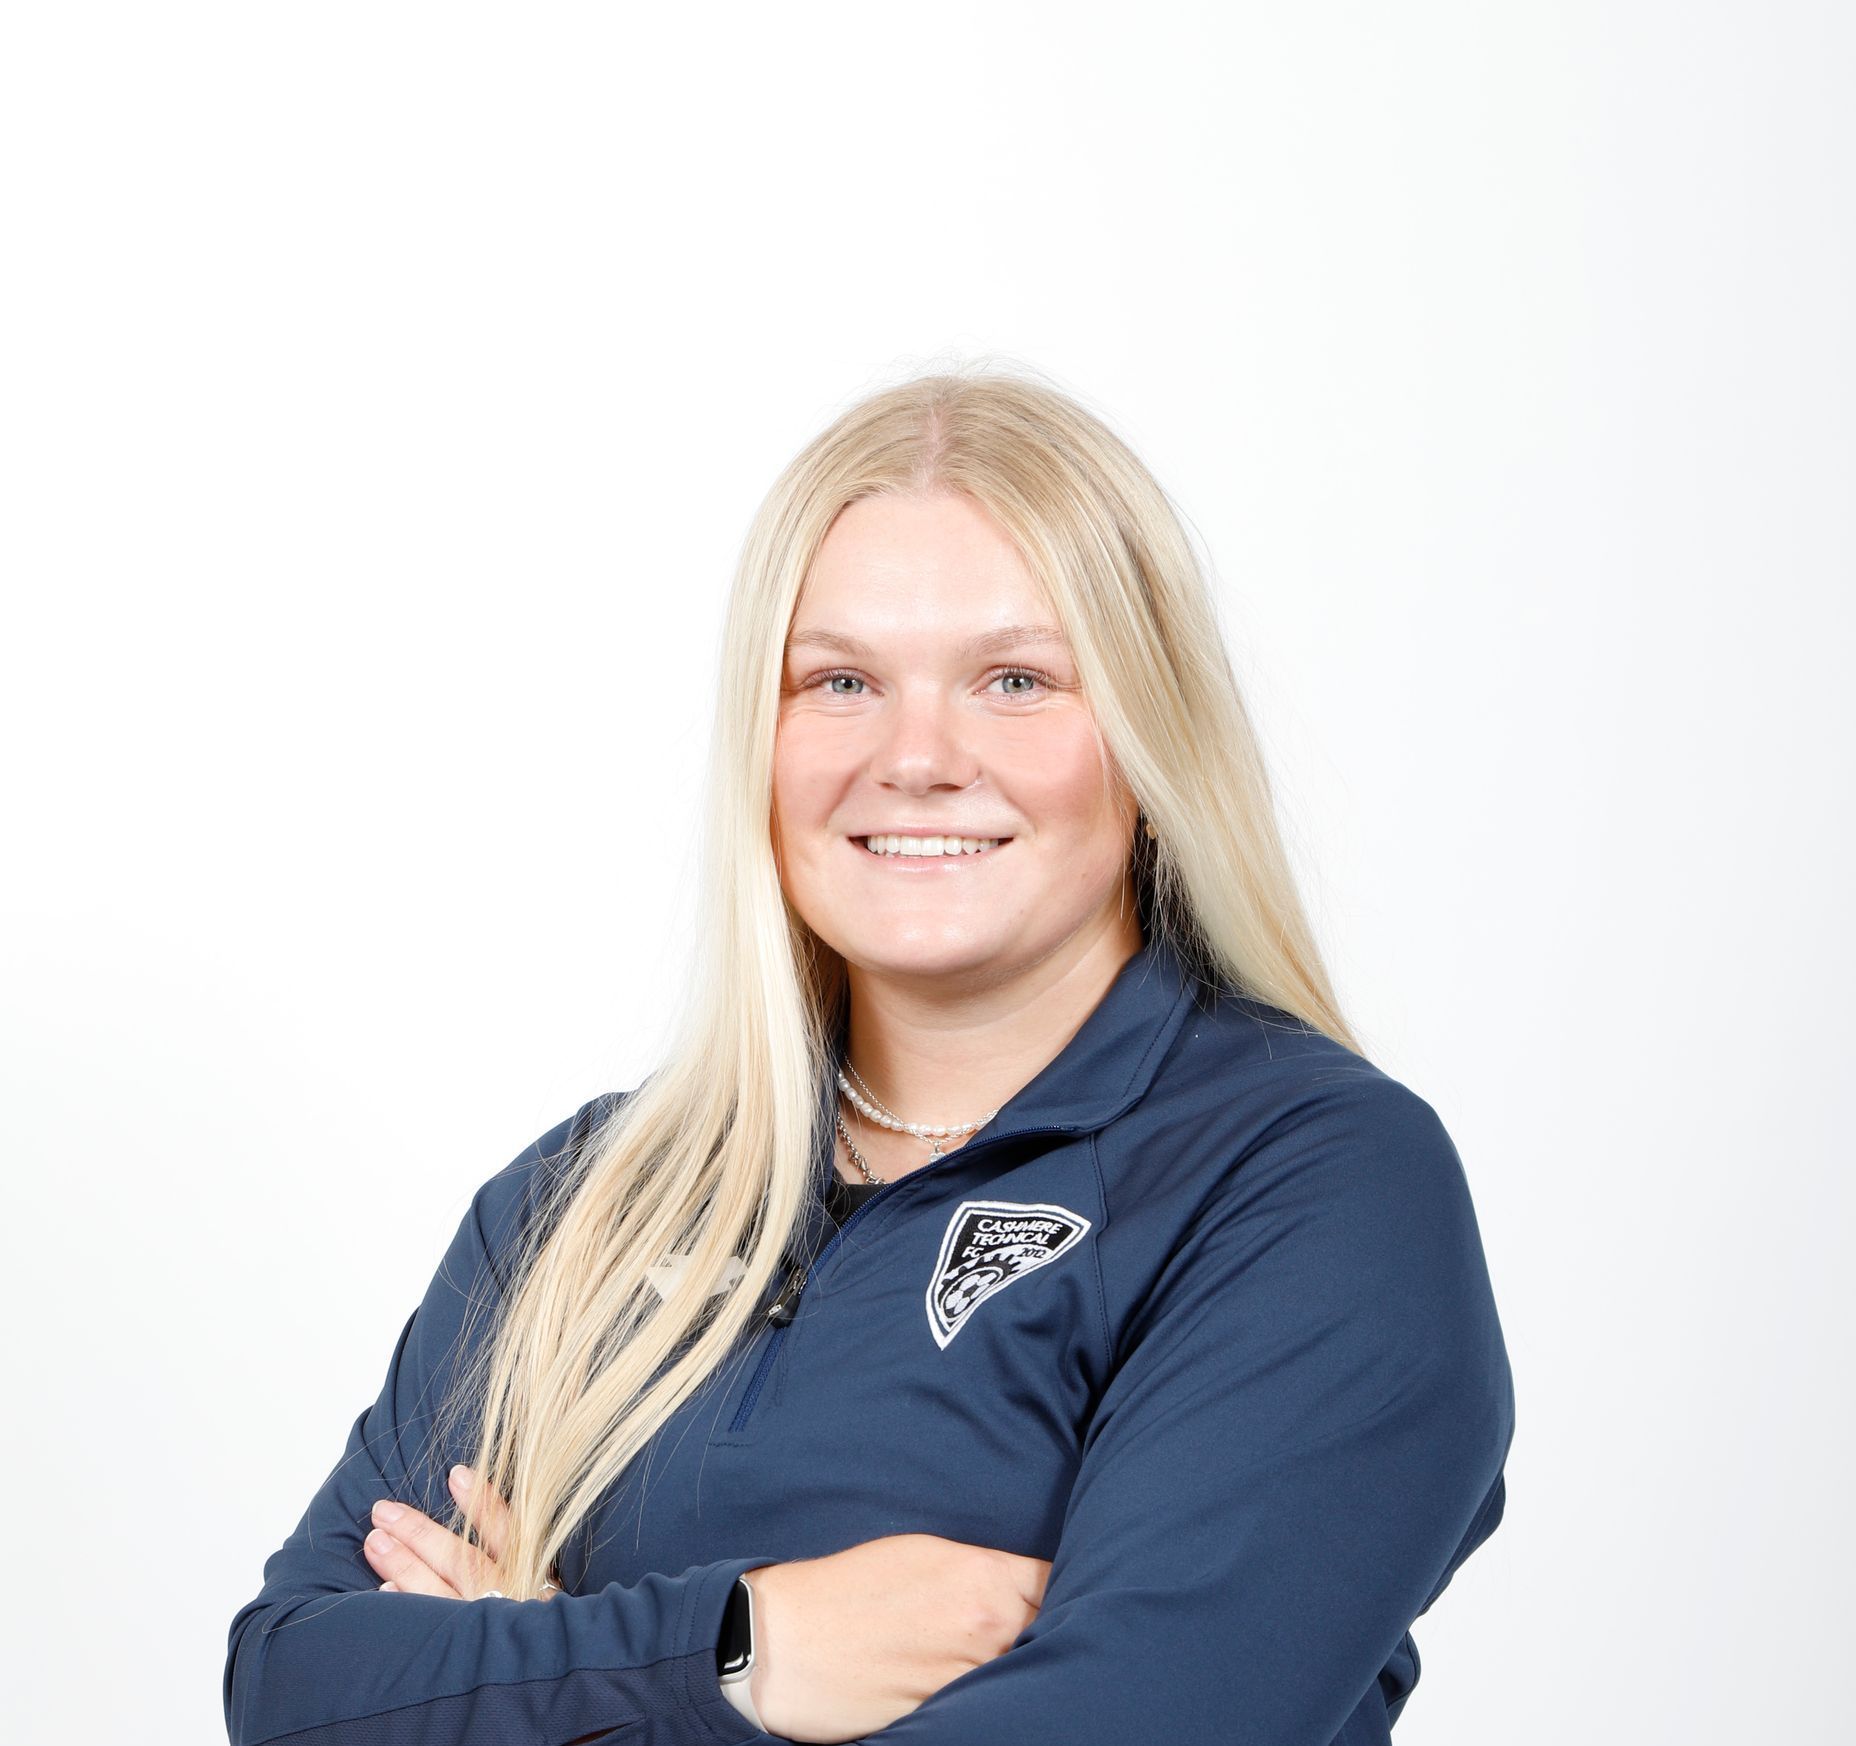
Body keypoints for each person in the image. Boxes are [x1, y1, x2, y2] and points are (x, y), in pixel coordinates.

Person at [223, 363, 1513, 1746]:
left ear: (1146, 738)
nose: (916, 756)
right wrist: (743, 1647)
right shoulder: (588, 1199)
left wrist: (521, 1672)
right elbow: (295, 1691)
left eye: (1015, 680)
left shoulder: (1313, 1187)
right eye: (840, 680)